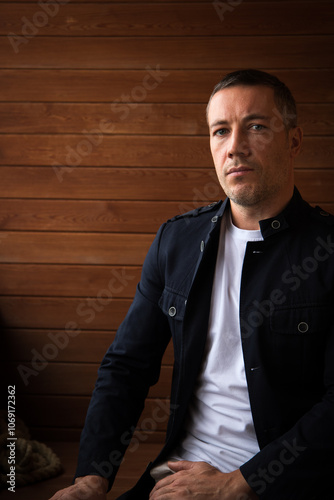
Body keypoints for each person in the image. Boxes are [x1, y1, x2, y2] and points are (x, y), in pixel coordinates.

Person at [50, 69, 334, 500]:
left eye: (256, 126)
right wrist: (92, 477)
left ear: (293, 141)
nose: (234, 147)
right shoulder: (176, 241)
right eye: (221, 131)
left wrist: (237, 484)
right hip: (177, 474)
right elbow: (126, 367)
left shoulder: (326, 251)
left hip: (281, 483)